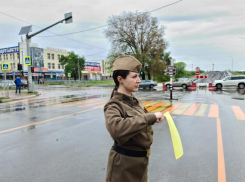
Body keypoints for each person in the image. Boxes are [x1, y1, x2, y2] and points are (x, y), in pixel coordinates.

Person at [104, 56, 165, 182]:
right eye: (134, 77)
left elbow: (139, 120)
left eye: (139, 76)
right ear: (120, 79)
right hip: (124, 168)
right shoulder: (113, 105)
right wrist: (150, 118)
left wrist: (153, 118)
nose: (139, 80)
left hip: (141, 164)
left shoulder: (135, 100)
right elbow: (116, 129)